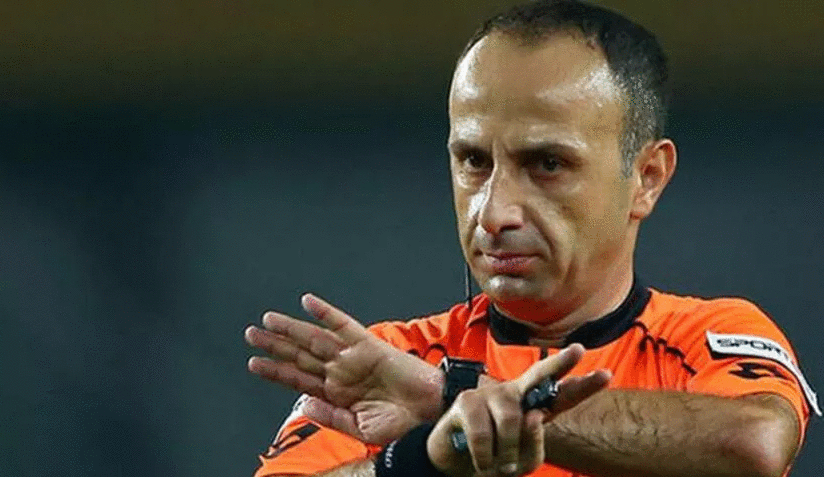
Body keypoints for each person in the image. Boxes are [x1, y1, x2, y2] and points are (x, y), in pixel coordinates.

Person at [244, 1, 819, 476]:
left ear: (646, 178)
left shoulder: (703, 340)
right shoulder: (392, 362)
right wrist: (423, 460)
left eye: (547, 163)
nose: (494, 213)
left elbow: (753, 446)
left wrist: (453, 397)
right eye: (474, 161)